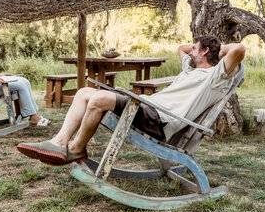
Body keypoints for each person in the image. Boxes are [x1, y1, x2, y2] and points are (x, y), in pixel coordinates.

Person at [17, 36, 245, 165]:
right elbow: (181, 48)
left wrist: (218, 49)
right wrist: (204, 48)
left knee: (100, 98)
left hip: (160, 120)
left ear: (204, 52)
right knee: (84, 92)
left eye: (196, 48)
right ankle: (59, 142)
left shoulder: (216, 77)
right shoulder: (189, 68)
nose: (190, 50)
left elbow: (240, 50)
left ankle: (76, 149)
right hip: (148, 108)